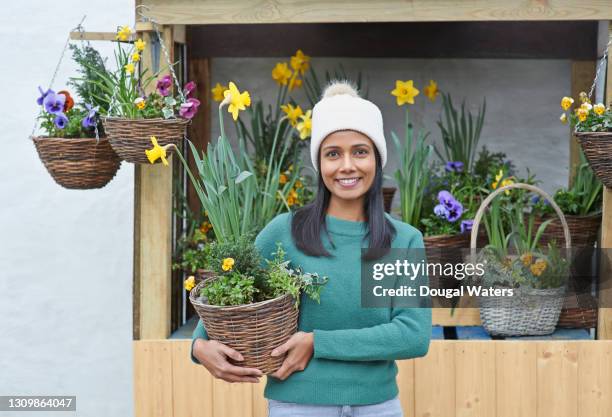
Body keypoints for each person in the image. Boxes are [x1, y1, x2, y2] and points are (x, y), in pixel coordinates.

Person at [191, 80, 432, 417]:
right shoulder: (284, 234)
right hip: (297, 406)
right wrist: (198, 346)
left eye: (360, 151)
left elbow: (412, 335)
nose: (347, 165)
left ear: (377, 158)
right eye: (333, 153)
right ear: (320, 164)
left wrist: (317, 342)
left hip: (377, 406)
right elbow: (221, 304)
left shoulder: (401, 241)